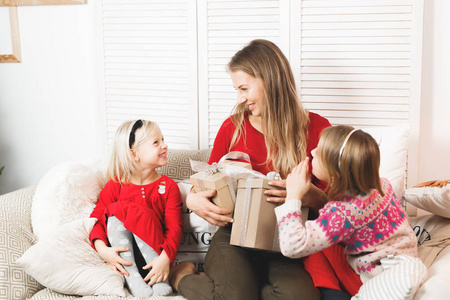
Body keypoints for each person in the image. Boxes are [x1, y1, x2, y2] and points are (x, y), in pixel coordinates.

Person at [169, 39, 331, 300]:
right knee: (234, 297)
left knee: (302, 297)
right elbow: (204, 184)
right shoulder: (232, 128)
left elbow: (335, 208)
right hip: (235, 237)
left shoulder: (317, 128)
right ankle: (181, 276)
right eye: (237, 90)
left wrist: (306, 194)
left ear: (270, 80)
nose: (240, 98)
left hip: (286, 241)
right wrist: (194, 199)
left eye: (244, 88)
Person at [275, 125, 428, 300]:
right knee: (322, 239)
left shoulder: (344, 212)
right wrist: (319, 197)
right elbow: (353, 224)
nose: (312, 151)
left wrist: (293, 196)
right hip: (399, 257)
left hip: (373, 277)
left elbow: (292, 246)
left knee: (313, 249)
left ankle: (332, 294)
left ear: (334, 173)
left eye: (319, 153)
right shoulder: (382, 185)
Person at [89, 120, 183, 297]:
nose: (165, 145)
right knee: (117, 210)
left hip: (156, 258)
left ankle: (159, 280)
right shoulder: (115, 186)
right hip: (126, 259)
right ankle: (133, 279)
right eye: (156, 142)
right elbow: (96, 220)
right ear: (134, 154)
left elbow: (174, 228)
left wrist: (165, 259)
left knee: (130, 211)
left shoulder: (168, 186)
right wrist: (103, 251)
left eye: (163, 139)